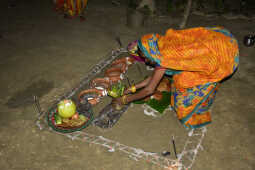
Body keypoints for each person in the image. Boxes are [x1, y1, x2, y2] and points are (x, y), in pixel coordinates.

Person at [113, 26, 239, 129]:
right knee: (182, 75)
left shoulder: (163, 58)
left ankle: (198, 111)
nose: (146, 61)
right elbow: (154, 77)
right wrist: (132, 88)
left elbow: (149, 90)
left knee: (183, 91)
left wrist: (124, 100)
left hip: (222, 58)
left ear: (150, 53)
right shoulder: (161, 44)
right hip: (221, 42)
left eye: (145, 58)